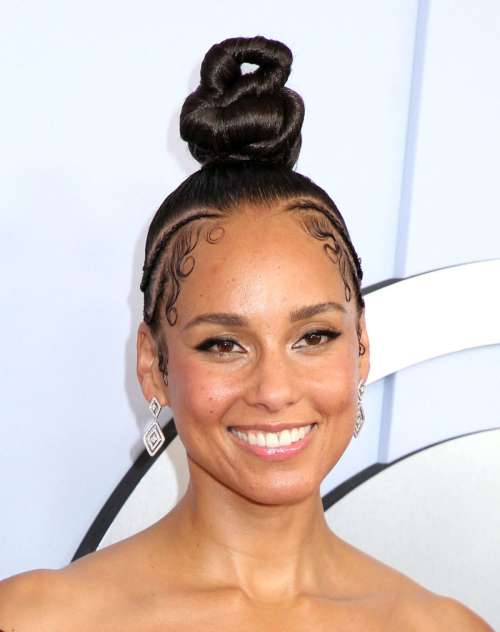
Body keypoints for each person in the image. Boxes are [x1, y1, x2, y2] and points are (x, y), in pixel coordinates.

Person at [0, 36, 493, 631]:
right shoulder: (38, 619)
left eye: (314, 336)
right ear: (153, 365)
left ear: (362, 346)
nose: (274, 389)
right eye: (223, 344)